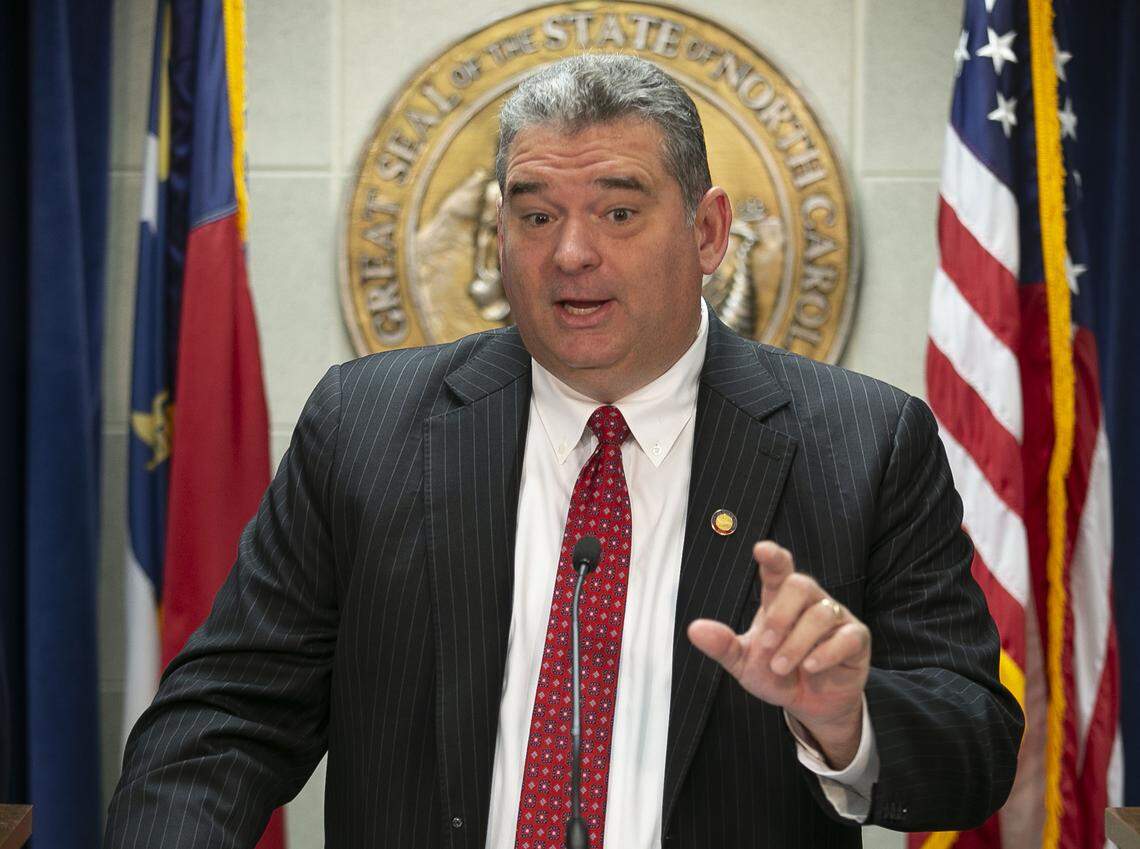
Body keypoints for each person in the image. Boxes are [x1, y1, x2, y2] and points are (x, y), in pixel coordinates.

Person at [105, 54, 1023, 848]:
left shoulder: (866, 443)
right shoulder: (364, 423)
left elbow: (974, 746)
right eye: (536, 216)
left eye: (619, 213)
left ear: (707, 232)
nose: (571, 254)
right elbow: (225, 716)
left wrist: (845, 719)